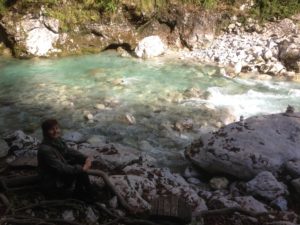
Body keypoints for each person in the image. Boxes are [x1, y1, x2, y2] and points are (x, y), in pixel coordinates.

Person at [37, 119, 96, 202]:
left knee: (80, 162)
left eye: (57, 128)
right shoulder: (45, 150)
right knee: (79, 169)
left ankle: (81, 192)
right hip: (53, 182)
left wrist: (85, 157)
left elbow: (67, 151)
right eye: (51, 129)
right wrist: (82, 169)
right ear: (45, 132)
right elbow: (61, 168)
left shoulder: (57, 141)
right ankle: (87, 195)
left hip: (57, 173)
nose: (55, 131)